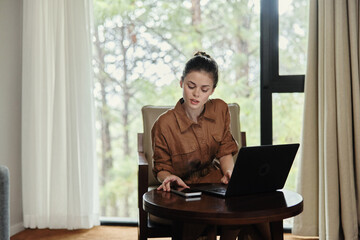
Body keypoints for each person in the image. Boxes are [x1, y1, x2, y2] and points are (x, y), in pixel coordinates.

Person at [151, 51, 269, 240]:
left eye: (204, 89)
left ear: (212, 90)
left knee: (253, 210)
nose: (196, 94)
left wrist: (230, 173)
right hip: (186, 191)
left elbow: (224, 153)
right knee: (205, 220)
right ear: (181, 83)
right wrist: (169, 177)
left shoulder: (220, 109)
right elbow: (161, 168)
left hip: (215, 184)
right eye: (191, 86)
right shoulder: (164, 124)